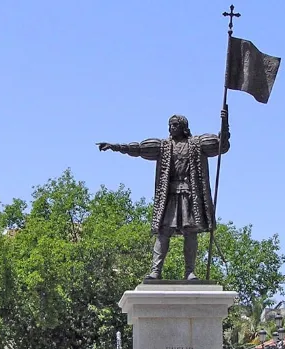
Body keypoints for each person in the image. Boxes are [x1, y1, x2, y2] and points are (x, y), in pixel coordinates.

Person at [97, 109, 230, 280]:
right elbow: (138, 149)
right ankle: (156, 271)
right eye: (169, 125)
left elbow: (222, 146)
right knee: (163, 231)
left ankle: (190, 271)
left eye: (174, 125)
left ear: (183, 127)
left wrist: (225, 125)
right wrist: (116, 147)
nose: (171, 128)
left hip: (190, 196)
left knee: (191, 232)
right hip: (170, 196)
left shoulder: (197, 144)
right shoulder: (163, 146)